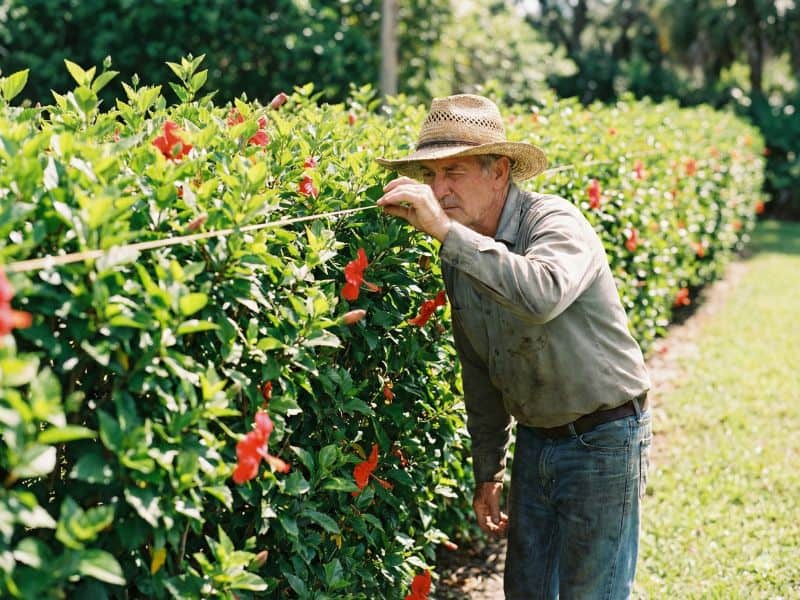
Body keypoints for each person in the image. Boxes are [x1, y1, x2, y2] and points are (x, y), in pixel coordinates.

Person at [375, 94, 652, 599]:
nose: (438, 190)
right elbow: (479, 369)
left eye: (453, 172)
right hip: (536, 440)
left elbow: (542, 294)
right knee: (526, 591)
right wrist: (489, 469)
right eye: (429, 176)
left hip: (604, 437)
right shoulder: (460, 251)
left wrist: (445, 232)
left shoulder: (554, 222)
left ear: (499, 171)